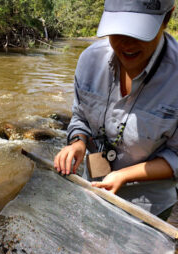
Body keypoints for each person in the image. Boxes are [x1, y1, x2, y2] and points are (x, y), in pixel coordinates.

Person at [54, 0, 178, 217]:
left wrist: (124, 175)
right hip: (92, 190)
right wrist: (78, 143)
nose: (126, 43)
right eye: (118, 30)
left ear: (166, 19)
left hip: (147, 208)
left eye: (139, 32)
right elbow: (80, 116)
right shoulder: (90, 61)